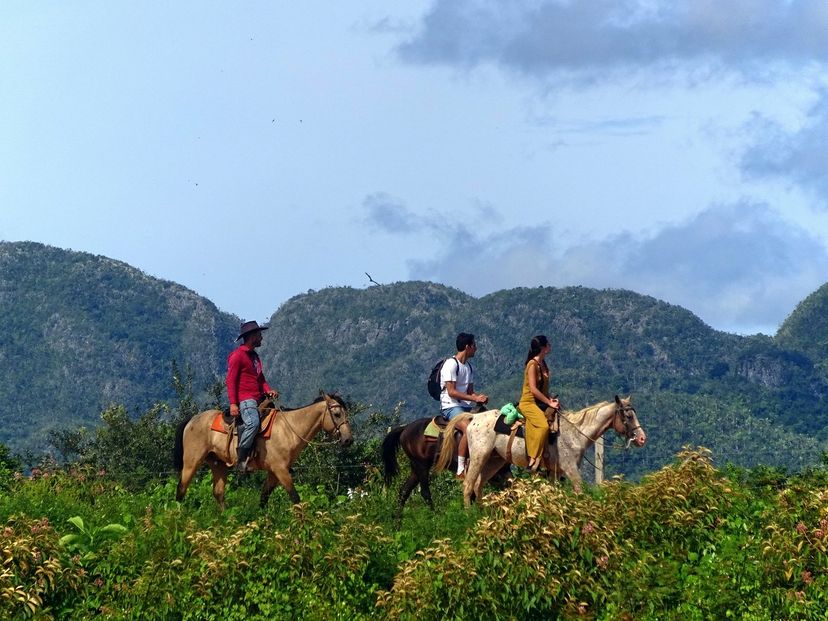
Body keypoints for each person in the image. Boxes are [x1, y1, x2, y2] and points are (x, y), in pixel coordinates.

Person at [226, 320, 279, 473]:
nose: (261, 337)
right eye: (259, 334)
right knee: (253, 423)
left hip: (259, 398)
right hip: (246, 400)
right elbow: (230, 381)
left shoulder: (254, 357)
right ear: (252, 337)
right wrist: (233, 404)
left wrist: (268, 390)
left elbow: (260, 379)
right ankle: (242, 460)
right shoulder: (237, 356)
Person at [440, 332, 488, 478]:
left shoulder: (468, 367)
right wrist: (473, 399)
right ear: (467, 347)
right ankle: (460, 468)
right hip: (450, 406)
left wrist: (478, 397)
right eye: (474, 345)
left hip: (465, 406)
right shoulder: (451, 364)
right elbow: (452, 392)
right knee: (468, 429)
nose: (476, 348)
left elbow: (470, 392)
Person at [518, 335, 560, 472]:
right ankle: (533, 459)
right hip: (528, 402)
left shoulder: (543, 364)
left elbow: (543, 390)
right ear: (543, 348)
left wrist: (550, 400)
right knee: (543, 426)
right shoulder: (532, 364)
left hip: (540, 401)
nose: (550, 345)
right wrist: (549, 402)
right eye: (548, 344)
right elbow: (534, 390)